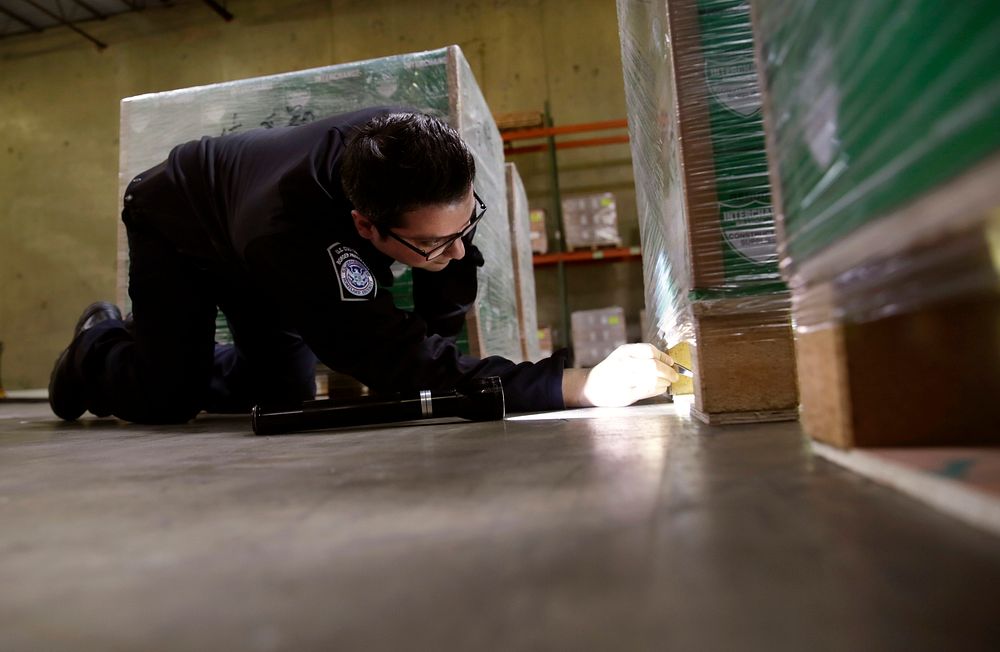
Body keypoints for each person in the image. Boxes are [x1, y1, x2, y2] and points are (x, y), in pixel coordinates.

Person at [49, 106, 679, 424]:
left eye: (464, 227)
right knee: (169, 400)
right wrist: (573, 385)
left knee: (279, 394)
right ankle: (98, 343)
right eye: (434, 244)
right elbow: (396, 364)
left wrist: (446, 277)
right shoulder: (293, 242)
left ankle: (172, 348)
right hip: (181, 220)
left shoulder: (420, 162)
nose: (457, 250)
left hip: (253, 226)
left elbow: (446, 276)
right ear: (365, 226)